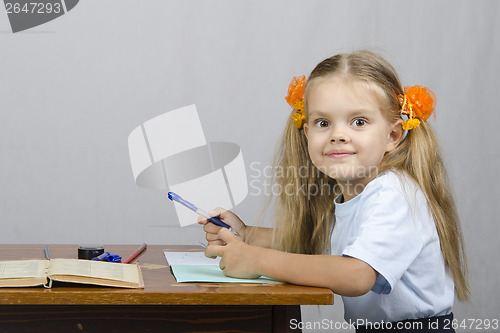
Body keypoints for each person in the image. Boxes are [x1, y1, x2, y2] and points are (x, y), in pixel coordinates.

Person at [198, 50, 469, 332]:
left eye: (359, 122)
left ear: (393, 135)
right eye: (323, 123)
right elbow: (323, 248)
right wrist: (248, 235)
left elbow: (356, 274)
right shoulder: (356, 192)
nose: (338, 135)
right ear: (307, 133)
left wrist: (256, 260)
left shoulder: (394, 193)